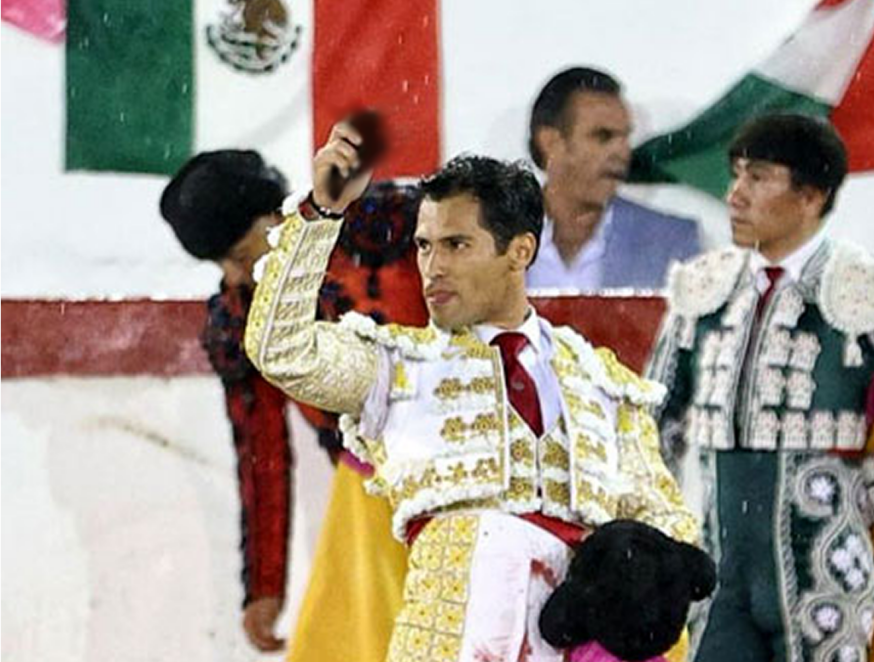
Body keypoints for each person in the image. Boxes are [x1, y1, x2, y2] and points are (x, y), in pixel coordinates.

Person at [244, 125, 701, 662]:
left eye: (457, 245)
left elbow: (668, 527)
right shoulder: (396, 369)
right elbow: (280, 349)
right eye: (423, 246)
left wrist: (628, 577)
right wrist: (319, 216)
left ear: (520, 251)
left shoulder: (601, 382)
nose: (433, 268)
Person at [648, 114, 874, 662]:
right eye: (736, 175)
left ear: (810, 196)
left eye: (758, 178)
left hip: (827, 580)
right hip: (716, 580)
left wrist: (864, 495)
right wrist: (659, 527)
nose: (735, 195)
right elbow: (649, 425)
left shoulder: (873, 291)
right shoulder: (702, 293)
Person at [160, 150, 421, 657]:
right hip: (372, 507)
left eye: (239, 253)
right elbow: (261, 454)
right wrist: (264, 587)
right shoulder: (242, 312)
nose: (235, 276)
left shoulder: (383, 224)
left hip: (480, 474)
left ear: (280, 216)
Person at [526, 66, 702, 291]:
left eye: (625, 137)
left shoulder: (671, 241)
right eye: (603, 136)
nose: (622, 152)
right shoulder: (489, 236)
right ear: (550, 142)